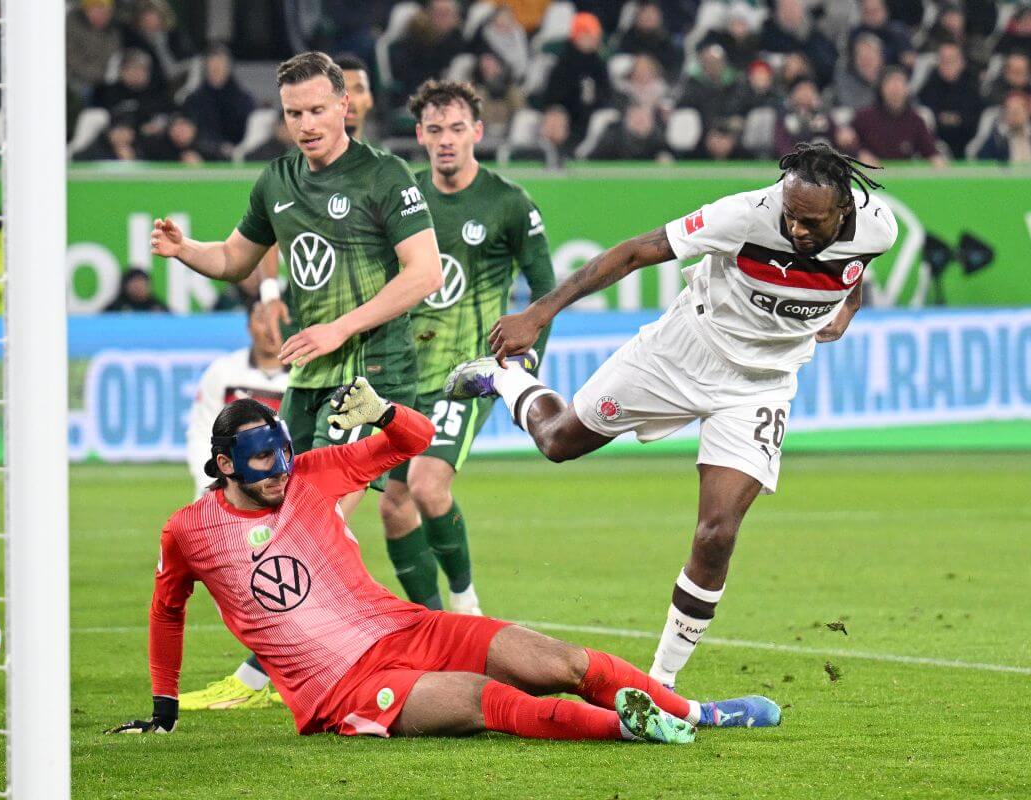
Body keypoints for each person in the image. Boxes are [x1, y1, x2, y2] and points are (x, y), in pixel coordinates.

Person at [444, 143, 898, 690]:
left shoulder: (880, 227)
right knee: (559, 442)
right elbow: (638, 251)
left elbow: (857, 270)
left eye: (811, 221)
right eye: (790, 215)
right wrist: (540, 312)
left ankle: (660, 684)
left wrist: (846, 307)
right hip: (683, 351)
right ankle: (506, 379)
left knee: (717, 533)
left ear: (844, 210)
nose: (797, 229)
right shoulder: (745, 214)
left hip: (760, 386)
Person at [106, 382, 781, 739]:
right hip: (338, 692)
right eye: (261, 464)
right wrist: (163, 709)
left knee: (560, 663)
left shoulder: (312, 472)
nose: (280, 473)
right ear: (224, 465)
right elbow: (167, 611)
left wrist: (384, 412)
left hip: (409, 630)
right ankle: (633, 730)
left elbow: (417, 439)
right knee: (491, 701)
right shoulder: (189, 532)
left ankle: (696, 713)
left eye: (283, 456)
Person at [151, 51, 442, 710]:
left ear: (346, 105)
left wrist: (342, 328)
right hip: (311, 374)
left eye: (317, 110)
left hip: (373, 369)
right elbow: (234, 259)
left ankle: (290, 670)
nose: (306, 124)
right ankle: (386, 645)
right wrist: (185, 250)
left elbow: (423, 272)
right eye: (293, 114)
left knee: (326, 517)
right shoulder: (277, 179)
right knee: (299, 521)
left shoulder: (384, 175)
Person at [373, 80, 556, 614]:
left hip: (467, 374)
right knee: (394, 506)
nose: (446, 140)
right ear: (420, 136)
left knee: (429, 487)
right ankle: (432, 623)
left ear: (477, 131)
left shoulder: (508, 203)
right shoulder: (405, 202)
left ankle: (466, 603)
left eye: (457, 128)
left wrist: (523, 368)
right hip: (404, 378)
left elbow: (544, 292)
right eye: (435, 130)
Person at [186, 303, 289, 498]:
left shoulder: (306, 378)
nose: (271, 328)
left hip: (282, 492)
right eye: (262, 319)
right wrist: (208, 480)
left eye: (278, 320)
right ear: (249, 326)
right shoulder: (223, 372)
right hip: (226, 489)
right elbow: (201, 430)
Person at [852, 66, 947, 166]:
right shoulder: (864, 117)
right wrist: (860, 154)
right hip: (870, 175)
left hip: (903, 177)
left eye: (900, 83)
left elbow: (930, 151)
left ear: (907, 89)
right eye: (890, 83)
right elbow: (846, 143)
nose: (895, 89)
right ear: (881, 88)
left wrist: (937, 161)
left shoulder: (915, 121)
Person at [541, 12, 612, 137]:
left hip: (592, 114)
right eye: (588, 35)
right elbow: (553, 96)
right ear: (577, 36)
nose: (593, 40)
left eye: (595, 36)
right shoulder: (564, 63)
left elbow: (606, 92)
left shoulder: (598, 64)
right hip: (567, 114)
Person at [183, 45, 257, 158]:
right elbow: (191, 132)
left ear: (228, 68)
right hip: (204, 155)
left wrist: (236, 148)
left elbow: (252, 131)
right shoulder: (194, 100)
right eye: (212, 67)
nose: (216, 70)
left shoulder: (244, 99)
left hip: (239, 155)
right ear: (206, 68)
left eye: (220, 66)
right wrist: (217, 147)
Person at [917, 42, 983, 159]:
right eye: (943, 60)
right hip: (935, 147)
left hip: (966, 143)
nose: (947, 65)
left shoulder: (973, 87)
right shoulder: (928, 87)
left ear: (962, 63)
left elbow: (975, 122)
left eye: (951, 60)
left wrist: (954, 120)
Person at [977, 91, 1031, 163]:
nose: (1015, 116)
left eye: (1017, 111)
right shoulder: (997, 139)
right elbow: (982, 159)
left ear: (1027, 112)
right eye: (1010, 111)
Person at [103, 267, 168, 312]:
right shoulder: (115, 309)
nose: (139, 287)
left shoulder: (158, 308)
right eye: (135, 283)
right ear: (125, 285)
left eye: (142, 283)